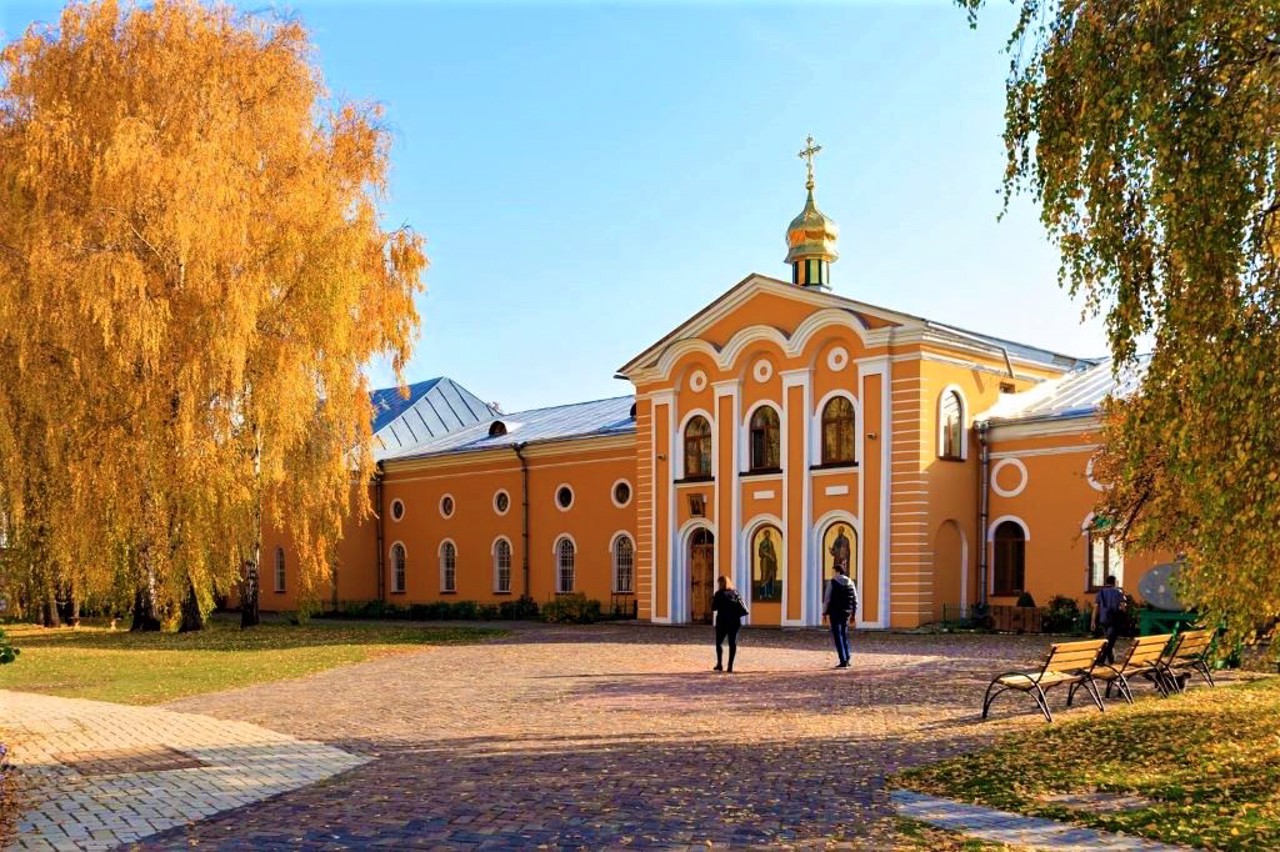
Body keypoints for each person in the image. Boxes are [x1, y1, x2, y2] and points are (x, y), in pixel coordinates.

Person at [822, 562, 858, 668]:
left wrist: (824, 612)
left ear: (837, 571)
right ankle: (847, 658)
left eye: (833, 571)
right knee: (844, 634)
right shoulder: (851, 582)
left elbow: (827, 599)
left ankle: (843, 660)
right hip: (847, 611)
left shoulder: (832, 582)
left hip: (835, 611)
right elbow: (855, 599)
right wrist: (853, 614)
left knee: (838, 636)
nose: (832, 573)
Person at [711, 575, 748, 672]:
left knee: (719, 643)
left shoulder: (719, 594)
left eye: (719, 583)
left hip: (722, 622)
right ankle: (730, 666)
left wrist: (713, 599)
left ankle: (719, 664)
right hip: (734, 622)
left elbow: (713, 608)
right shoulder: (735, 593)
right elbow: (742, 607)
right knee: (732, 644)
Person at [1091, 574, 1127, 665]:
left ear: (1106, 582)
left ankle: (1111, 661)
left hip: (1103, 620)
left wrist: (1093, 621)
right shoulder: (1118, 592)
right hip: (1114, 620)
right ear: (1114, 582)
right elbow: (1123, 607)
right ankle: (1101, 660)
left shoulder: (1100, 593)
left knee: (1108, 639)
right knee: (1109, 642)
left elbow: (1096, 608)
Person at [757, 529, 778, 600]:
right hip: (765, 562)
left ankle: (769, 594)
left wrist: (774, 559)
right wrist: (769, 556)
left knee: (770, 577)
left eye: (768, 534)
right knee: (764, 577)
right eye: (766, 534)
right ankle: (762, 594)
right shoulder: (762, 543)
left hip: (770, 562)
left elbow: (773, 551)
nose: (767, 535)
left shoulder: (771, 542)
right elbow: (761, 552)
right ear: (764, 534)